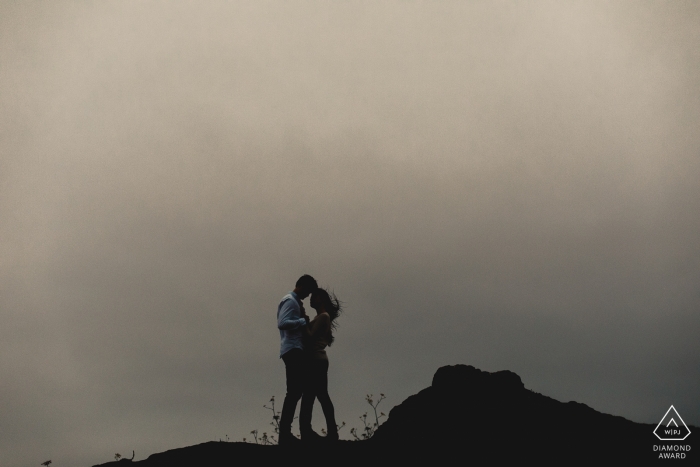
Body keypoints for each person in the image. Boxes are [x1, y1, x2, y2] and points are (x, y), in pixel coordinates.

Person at [277, 274, 318, 445]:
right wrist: (302, 321)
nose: (307, 296)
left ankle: (287, 433)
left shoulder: (292, 301)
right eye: (307, 291)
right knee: (294, 391)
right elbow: (282, 322)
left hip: (294, 348)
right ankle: (285, 434)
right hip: (292, 349)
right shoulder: (290, 301)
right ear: (300, 286)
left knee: (296, 391)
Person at [299, 287, 342, 442]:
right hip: (317, 360)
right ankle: (327, 432)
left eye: (314, 297)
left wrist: (304, 321)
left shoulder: (323, 317)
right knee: (318, 395)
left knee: (314, 395)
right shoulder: (321, 317)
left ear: (321, 299)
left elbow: (309, 337)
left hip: (315, 360)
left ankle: (310, 432)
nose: (311, 299)